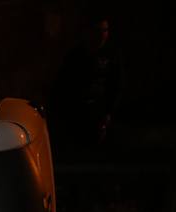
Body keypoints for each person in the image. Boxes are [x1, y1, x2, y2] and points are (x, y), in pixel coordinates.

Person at [52, 15, 123, 147]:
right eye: (97, 31)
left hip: (101, 111)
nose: (101, 35)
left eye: (105, 31)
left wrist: (108, 113)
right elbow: (64, 87)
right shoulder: (75, 57)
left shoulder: (111, 56)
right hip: (79, 114)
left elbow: (115, 86)